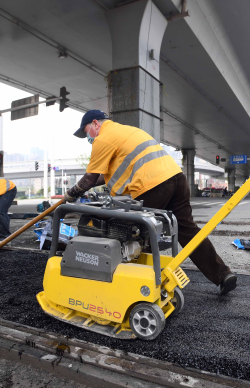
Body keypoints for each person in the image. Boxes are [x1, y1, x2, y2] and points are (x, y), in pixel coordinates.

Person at [65, 110, 237, 294]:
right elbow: (101, 178)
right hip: (177, 179)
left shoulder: (103, 138)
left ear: (95, 124)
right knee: (188, 231)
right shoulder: (127, 132)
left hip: (152, 186)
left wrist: (70, 195)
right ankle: (222, 274)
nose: (87, 137)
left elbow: (89, 179)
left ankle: (133, 286)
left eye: (86, 132)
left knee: (129, 231)